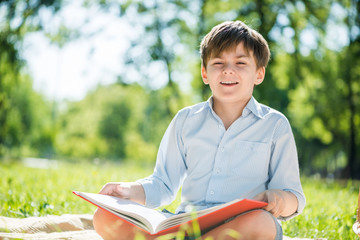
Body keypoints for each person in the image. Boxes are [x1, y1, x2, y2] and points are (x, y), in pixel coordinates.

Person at [93, 20, 306, 240]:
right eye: (218, 63)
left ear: (259, 74)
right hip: (186, 225)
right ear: (205, 73)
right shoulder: (186, 120)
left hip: (239, 226)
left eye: (240, 63)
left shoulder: (274, 125)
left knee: (262, 223)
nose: (228, 70)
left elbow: (293, 196)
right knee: (104, 216)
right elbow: (163, 184)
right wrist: (127, 191)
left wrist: (281, 198)